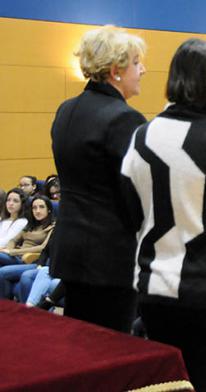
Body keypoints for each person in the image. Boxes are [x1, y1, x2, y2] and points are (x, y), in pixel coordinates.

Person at [120, 38, 206, 392]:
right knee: (205, 384)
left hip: (156, 285)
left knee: (171, 385)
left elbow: (130, 210)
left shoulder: (140, 137)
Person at [50, 25, 147, 332]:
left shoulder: (66, 110)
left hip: (72, 248)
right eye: (135, 62)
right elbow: (137, 192)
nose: (142, 69)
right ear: (116, 70)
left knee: (81, 344)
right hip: (111, 256)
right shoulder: (124, 118)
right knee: (110, 350)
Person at [0, 196, 56, 298]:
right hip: (17, 257)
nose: (37, 211)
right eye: (34, 208)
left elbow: (43, 247)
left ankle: (7, 305)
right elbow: (13, 240)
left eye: (41, 207)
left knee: (2, 271)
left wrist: (12, 252)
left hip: (32, 260)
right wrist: (9, 249)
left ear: (49, 209)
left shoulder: (53, 226)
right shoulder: (30, 225)